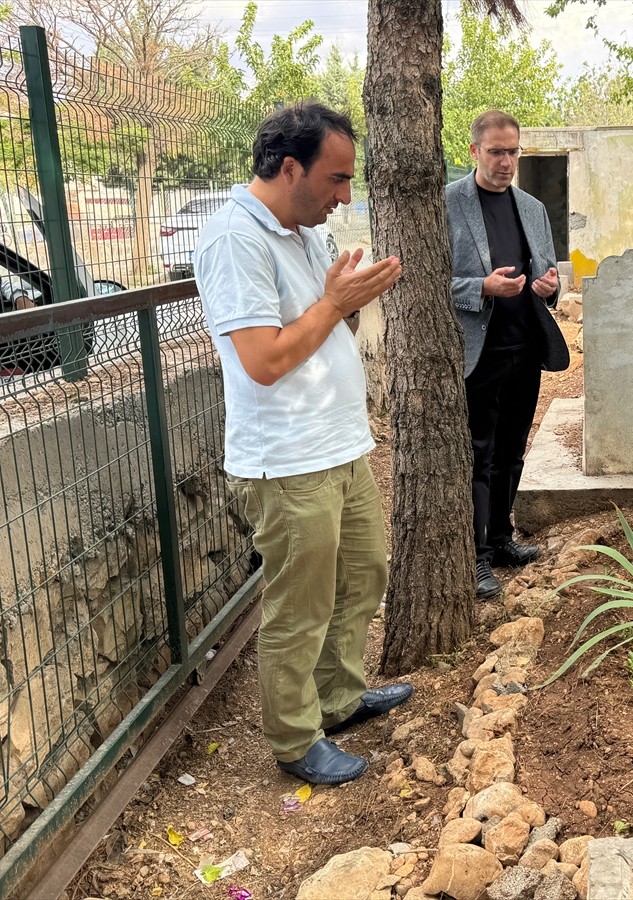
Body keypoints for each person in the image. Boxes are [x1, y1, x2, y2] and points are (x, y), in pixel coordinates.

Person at [195, 101, 413, 785]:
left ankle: (338, 700)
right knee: (301, 607)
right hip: (287, 462)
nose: (346, 196)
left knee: (363, 575)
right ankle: (294, 740)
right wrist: (335, 304)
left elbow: (324, 336)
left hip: (340, 447)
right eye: (337, 178)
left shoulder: (302, 233)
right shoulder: (237, 239)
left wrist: (340, 306)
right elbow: (263, 361)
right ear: (291, 168)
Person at [447, 110, 569, 600]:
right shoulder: (449, 204)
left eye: (513, 151)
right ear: (474, 151)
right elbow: (429, 278)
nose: (506, 161)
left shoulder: (532, 207)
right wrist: (482, 285)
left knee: (512, 450)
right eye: (496, 151)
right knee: (478, 454)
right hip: (479, 353)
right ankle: (475, 556)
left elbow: (550, 274)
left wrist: (550, 285)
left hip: (525, 348)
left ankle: (500, 538)